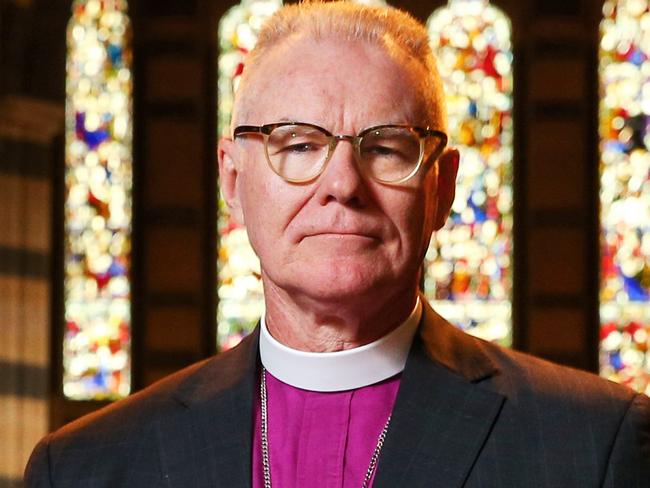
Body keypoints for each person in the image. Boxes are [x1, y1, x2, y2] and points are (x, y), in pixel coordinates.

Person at [25, 2, 649, 487]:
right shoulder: (86, 468)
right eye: (298, 145)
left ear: (442, 187)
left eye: (384, 147)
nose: (341, 186)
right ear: (234, 181)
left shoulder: (594, 445)